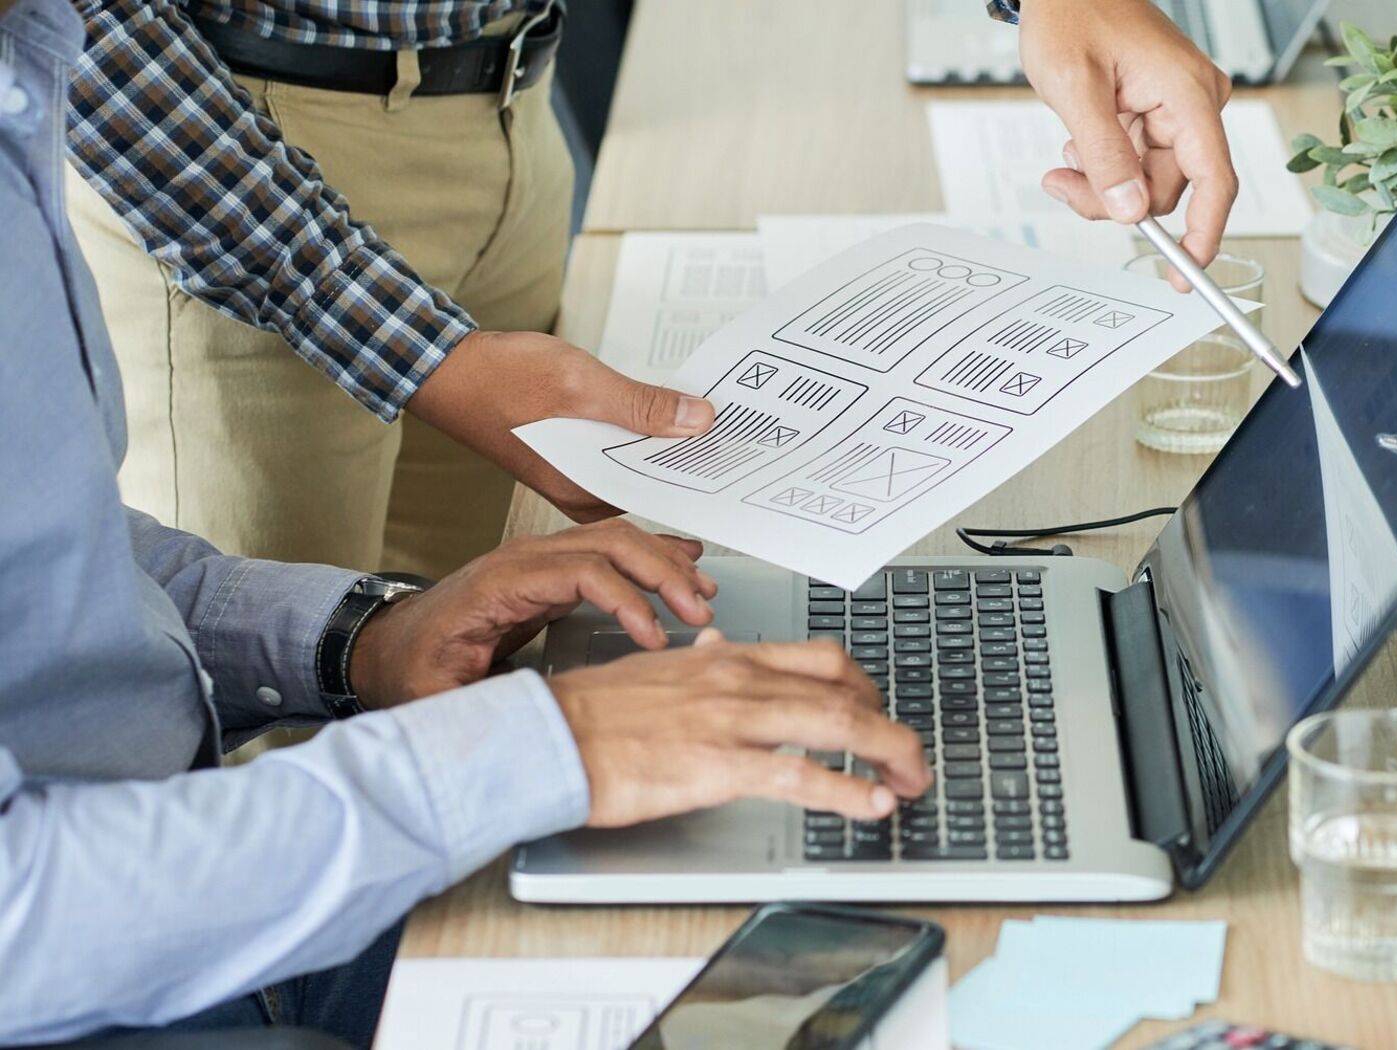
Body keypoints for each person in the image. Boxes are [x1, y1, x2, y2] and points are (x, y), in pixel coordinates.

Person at [2, 0, 934, 1042]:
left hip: (224, 908)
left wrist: (364, 639)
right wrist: (541, 749)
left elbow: (62, 581)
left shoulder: (18, 88)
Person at [64, 0, 1239, 580]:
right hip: (236, 175)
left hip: (512, 108)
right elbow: (88, 29)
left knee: (473, 648)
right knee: (275, 727)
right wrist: (416, 347)